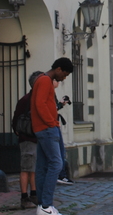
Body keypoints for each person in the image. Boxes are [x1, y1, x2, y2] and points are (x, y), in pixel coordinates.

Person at [31, 57, 73, 215]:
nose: (64, 78)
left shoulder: (43, 80)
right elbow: (39, 104)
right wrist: (51, 123)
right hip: (47, 129)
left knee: (42, 167)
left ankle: (43, 206)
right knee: (56, 164)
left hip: (44, 128)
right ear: (59, 69)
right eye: (65, 74)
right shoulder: (44, 81)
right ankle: (46, 205)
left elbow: (42, 104)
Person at [13, 72, 41, 209]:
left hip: (36, 139)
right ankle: (24, 197)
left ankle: (34, 195)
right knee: (26, 169)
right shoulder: (26, 100)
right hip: (27, 139)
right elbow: (16, 120)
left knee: (33, 169)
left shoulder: (37, 98)